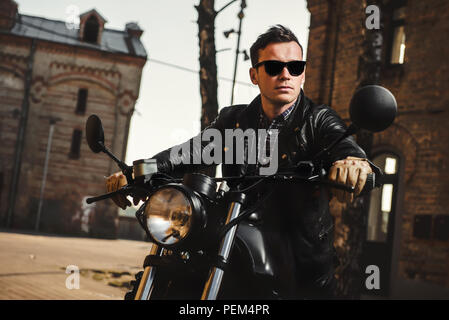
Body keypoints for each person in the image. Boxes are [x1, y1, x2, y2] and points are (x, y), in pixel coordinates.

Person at [106, 25, 377, 298]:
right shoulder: (234, 121)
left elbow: (346, 147)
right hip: (233, 242)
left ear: (303, 73)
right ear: (254, 75)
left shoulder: (318, 120)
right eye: (273, 67)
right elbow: (187, 153)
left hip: (298, 264)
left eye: (295, 67)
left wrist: (354, 164)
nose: (285, 74)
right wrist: (136, 173)